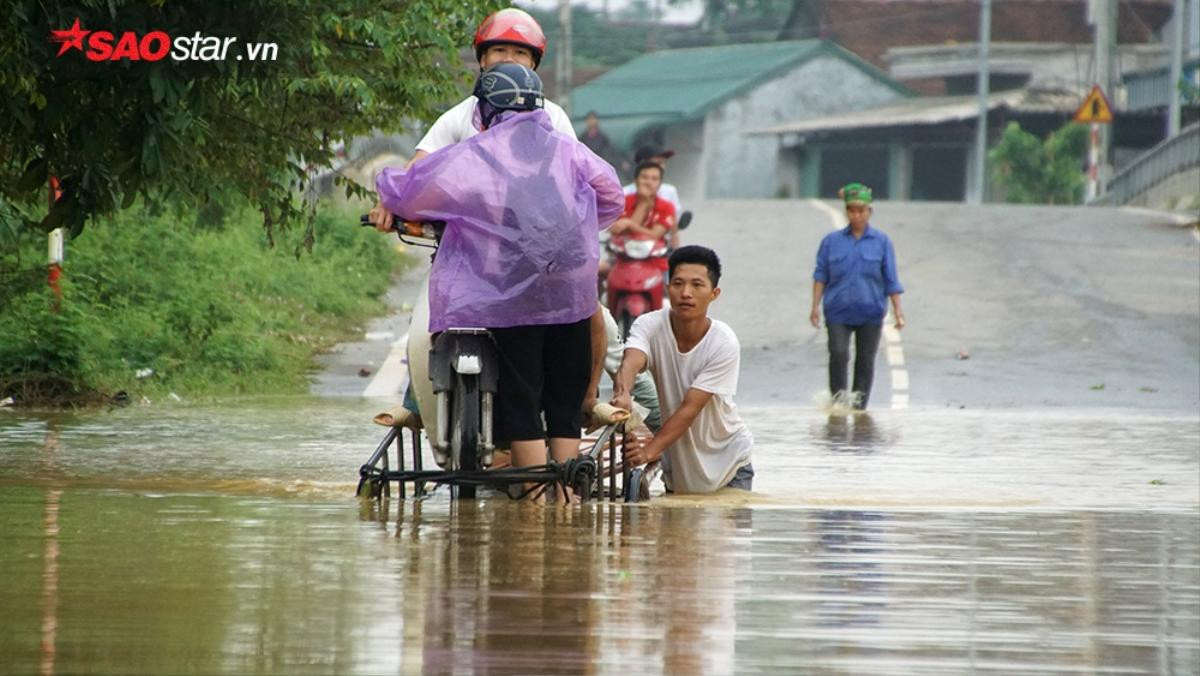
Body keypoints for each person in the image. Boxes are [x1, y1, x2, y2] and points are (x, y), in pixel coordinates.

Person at [367, 8, 610, 455]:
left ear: (535, 66)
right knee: (424, 328)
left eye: (520, 52)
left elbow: (574, 182)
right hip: (467, 259)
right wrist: (390, 202)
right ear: (481, 60)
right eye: (500, 50)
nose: (509, 59)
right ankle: (417, 400)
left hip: (537, 261)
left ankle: (589, 399)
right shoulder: (457, 118)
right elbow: (419, 171)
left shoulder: (552, 119)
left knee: (594, 319)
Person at [610, 246, 754, 493]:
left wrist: (648, 452)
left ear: (714, 293)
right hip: (679, 469)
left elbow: (690, 409)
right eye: (678, 283)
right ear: (668, 288)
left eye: (697, 285)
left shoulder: (723, 342)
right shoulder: (650, 324)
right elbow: (632, 360)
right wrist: (623, 393)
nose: (686, 293)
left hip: (729, 465)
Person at [809, 182, 906, 410]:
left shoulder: (882, 242)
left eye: (861, 210)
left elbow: (891, 278)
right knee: (839, 353)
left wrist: (898, 311)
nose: (857, 215)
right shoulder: (831, 242)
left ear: (869, 212)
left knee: (865, 360)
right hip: (837, 311)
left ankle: (859, 407)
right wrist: (814, 307)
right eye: (852, 210)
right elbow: (820, 275)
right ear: (846, 212)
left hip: (870, 311)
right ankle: (839, 403)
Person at [609, 161, 675, 273]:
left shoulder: (667, 206)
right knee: (596, 272)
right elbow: (621, 233)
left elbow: (654, 235)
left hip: (655, 262)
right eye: (644, 177)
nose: (649, 182)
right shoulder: (622, 202)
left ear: (660, 184)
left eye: (654, 179)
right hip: (621, 260)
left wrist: (629, 223)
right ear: (636, 180)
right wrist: (643, 203)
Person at [623, 145, 683, 249]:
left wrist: (677, 253)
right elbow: (615, 229)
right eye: (659, 163)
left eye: (664, 163)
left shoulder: (669, 192)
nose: (662, 167)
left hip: (659, 249)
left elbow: (673, 229)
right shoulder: (624, 193)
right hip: (626, 248)